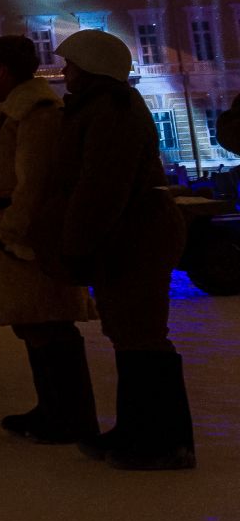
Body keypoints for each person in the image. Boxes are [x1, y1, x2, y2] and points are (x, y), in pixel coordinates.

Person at [52, 29, 194, 470]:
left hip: (135, 232)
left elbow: (101, 185)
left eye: (71, 64)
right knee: (130, 332)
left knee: (141, 334)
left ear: (92, 67)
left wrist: (77, 244)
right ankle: (139, 430)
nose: (64, 71)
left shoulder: (109, 109)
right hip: (128, 231)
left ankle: (160, 440)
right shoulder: (102, 106)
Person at [0, 36, 99, 443]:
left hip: (25, 236)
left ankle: (71, 415)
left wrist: (11, 230)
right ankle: (51, 407)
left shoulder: (34, 111)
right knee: (31, 323)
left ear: (2, 70)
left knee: (50, 323)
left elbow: (34, 181)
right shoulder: (10, 111)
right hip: (5, 230)